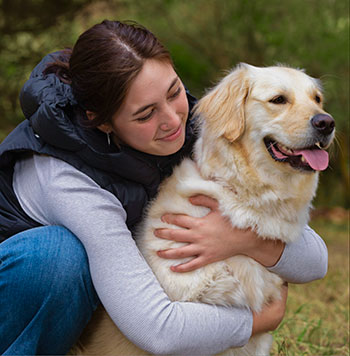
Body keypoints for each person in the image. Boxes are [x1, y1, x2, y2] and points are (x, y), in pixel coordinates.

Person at [0, 20, 328, 355]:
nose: (173, 120)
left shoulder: (184, 131)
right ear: (102, 121)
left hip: (80, 313)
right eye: (145, 115)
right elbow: (156, 329)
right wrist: (257, 321)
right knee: (57, 256)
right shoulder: (64, 178)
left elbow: (315, 260)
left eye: (173, 92)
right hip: (19, 291)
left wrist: (244, 239)